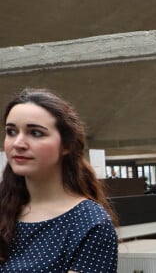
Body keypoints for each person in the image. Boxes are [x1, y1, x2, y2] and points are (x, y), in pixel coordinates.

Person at [0, 88, 118, 272]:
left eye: (36, 133)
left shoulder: (90, 223)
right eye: (11, 131)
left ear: (67, 145)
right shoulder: (5, 207)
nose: (18, 143)